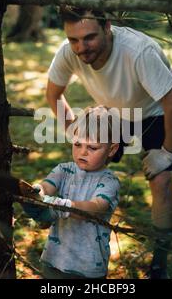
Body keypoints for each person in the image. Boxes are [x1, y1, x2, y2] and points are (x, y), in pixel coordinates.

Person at [45, 6, 172, 279]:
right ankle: (79, 244)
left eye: (89, 38)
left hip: (154, 111)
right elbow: (53, 94)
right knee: (86, 166)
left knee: (161, 181)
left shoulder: (138, 52)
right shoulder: (68, 52)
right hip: (112, 110)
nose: (81, 48)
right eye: (74, 39)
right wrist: (73, 129)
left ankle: (160, 261)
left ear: (107, 27)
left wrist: (167, 154)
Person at [23, 106, 121, 279]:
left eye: (92, 147)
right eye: (77, 144)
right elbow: (47, 186)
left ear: (111, 150)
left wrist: (62, 205)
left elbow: (96, 207)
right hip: (55, 258)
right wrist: (35, 192)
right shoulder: (63, 170)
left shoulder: (109, 181)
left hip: (88, 266)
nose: (83, 152)